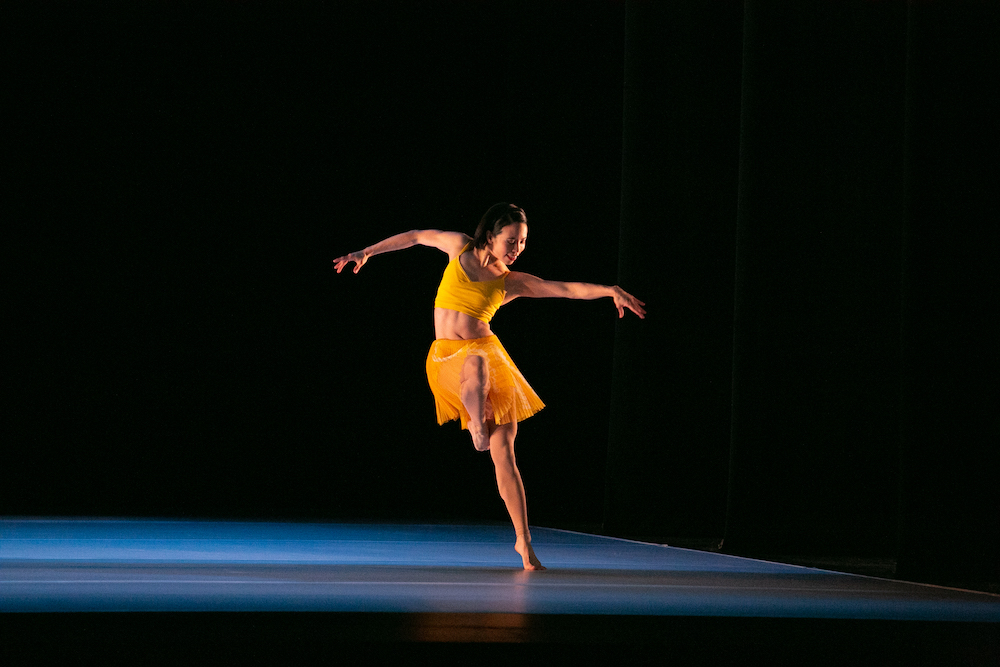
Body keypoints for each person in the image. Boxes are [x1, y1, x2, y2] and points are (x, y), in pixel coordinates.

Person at [333, 203, 645, 570]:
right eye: (511, 240)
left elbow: (565, 289)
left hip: (486, 355)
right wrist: (365, 252)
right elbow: (416, 236)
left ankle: (524, 543)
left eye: (523, 242)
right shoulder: (459, 247)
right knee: (475, 364)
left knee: (505, 451)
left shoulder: (509, 281)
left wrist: (609, 290)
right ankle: (476, 422)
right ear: (490, 235)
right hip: (447, 358)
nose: (517, 248)